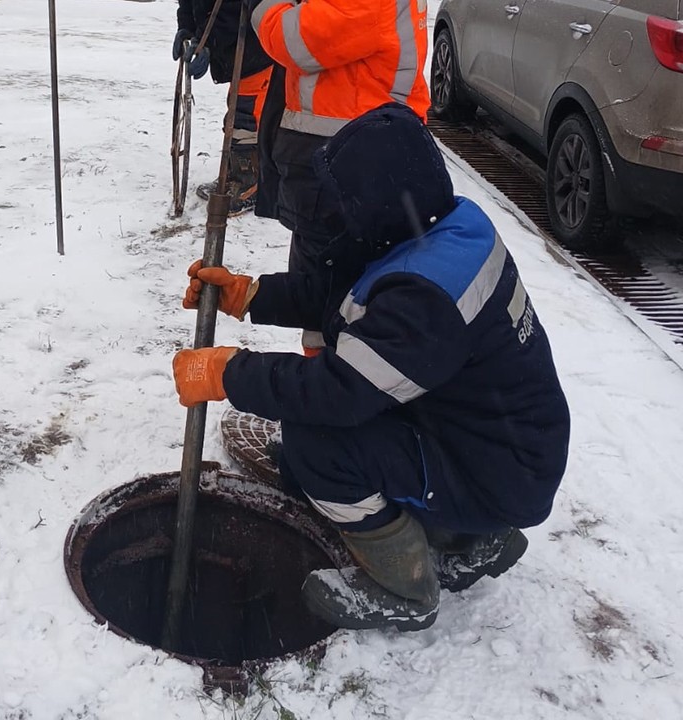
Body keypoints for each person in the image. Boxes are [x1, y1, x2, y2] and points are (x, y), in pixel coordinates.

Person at [172, 104, 570, 630]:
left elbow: (337, 394)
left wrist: (230, 373)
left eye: (344, 201)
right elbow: (346, 293)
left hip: (498, 470)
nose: (335, 212)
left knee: (319, 442)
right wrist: (250, 296)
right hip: (492, 441)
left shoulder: (425, 298)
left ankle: (406, 588)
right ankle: (468, 532)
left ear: (378, 203)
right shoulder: (439, 225)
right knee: (315, 437)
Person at [247, 0, 431, 355]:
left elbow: (291, 39)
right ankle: (326, 384)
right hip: (346, 161)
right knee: (328, 296)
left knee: (336, 300)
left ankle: (329, 390)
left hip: (347, 168)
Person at [174, 0, 273, 215]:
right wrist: (187, 29)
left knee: (247, 118)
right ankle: (234, 173)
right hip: (233, 51)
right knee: (236, 113)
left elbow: (231, 10)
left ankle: (251, 183)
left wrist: (205, 42)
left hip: (254, 48)